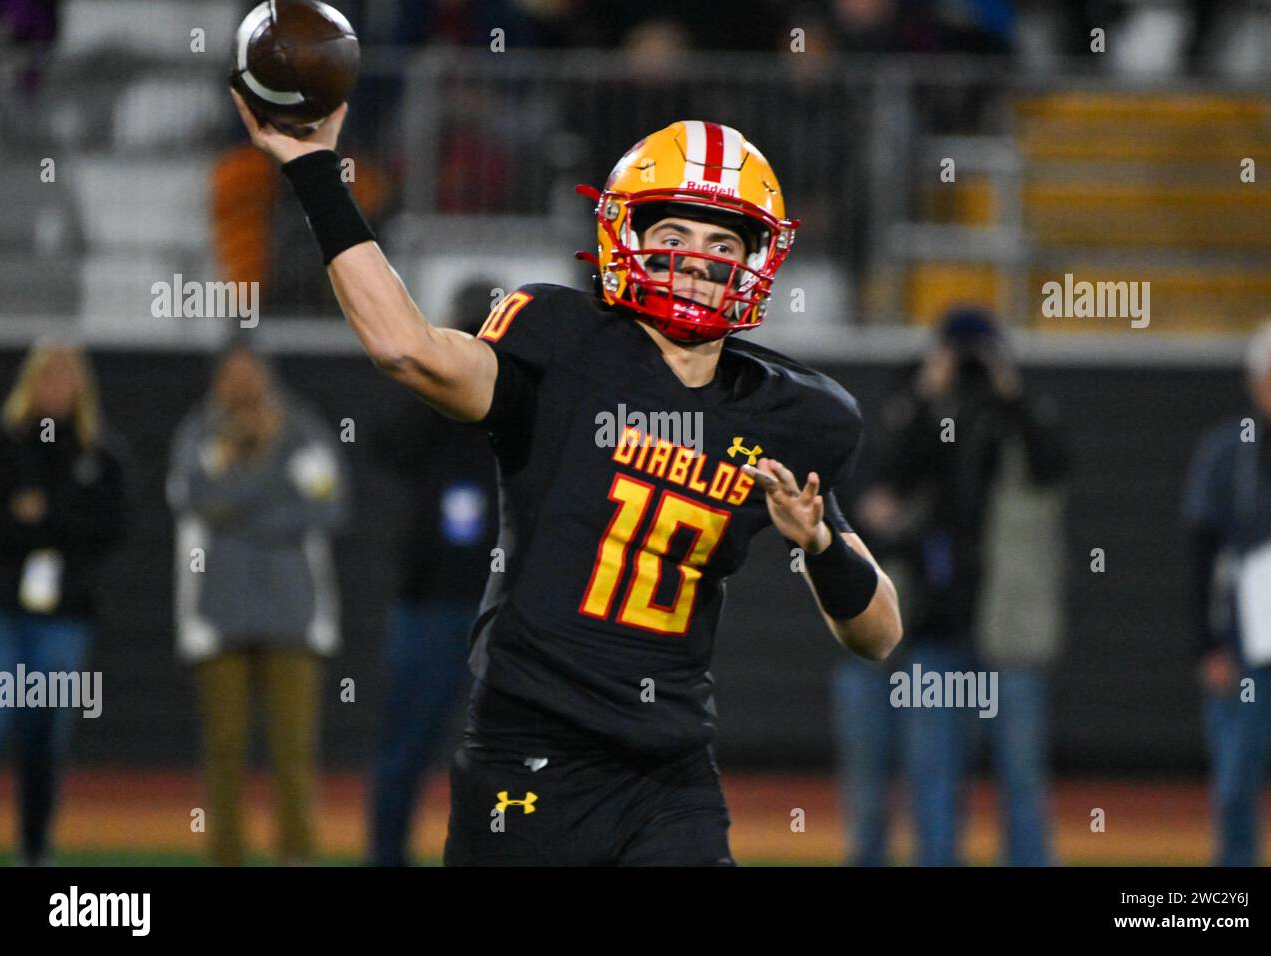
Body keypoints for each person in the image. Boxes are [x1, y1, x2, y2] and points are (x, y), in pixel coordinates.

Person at [231, 86, 903, 865]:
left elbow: (879, 634)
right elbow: (403, 347)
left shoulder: (790, 414)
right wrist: (317, 168)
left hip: (668, 770)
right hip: (531, 749)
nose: (696, 260)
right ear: (627, 237)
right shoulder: (563, 348)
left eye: (722, 244)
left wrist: (820, 540)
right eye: (675, 232)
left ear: (754, 262)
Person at [836, 309, 1067, 866]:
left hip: (1008, 630)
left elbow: (1052, 465)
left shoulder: (1016, 416)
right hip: (935, 626)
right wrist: (923, 397)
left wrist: (1009, 395)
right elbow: (879, 491)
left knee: (1021, 779)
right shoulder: (918, 414)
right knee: (932, 776)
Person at [166, 342, 348, 866]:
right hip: (216, 613)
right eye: (233, 375)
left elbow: (330, 505)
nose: (243, 386)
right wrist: (271, 481)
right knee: (224, 746)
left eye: (251, 374)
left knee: (294, 748)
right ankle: (226, 857)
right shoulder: (199, 433)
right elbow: (195, 498)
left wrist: (244, 497)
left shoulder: (301, 430)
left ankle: (297, 855)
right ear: (217, 380)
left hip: (294, 614)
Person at [368, 281, 500, 867]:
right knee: (407, 747)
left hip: (497, 607)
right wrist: (440, 373)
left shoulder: (519, 393)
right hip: (434, 603)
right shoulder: (431, 397)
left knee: (506, 756)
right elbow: (385, 443)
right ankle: (386, 856)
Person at [0, 341, 127, 865]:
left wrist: (41, 518)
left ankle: (35, 845)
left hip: (66, 616)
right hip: (6, 609)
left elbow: (108, 527)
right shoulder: (9, 445)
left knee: (44, 731)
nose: (55, 386)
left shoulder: (99, 453)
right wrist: (50, 525)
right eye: (46, 375)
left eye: (64, 376)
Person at [1183, 318, 1271, 866]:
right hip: (1245, 646)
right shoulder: (1228, 452)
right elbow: (1199, 556)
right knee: (1234, 790)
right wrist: (1208, 646)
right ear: (1255, 383)